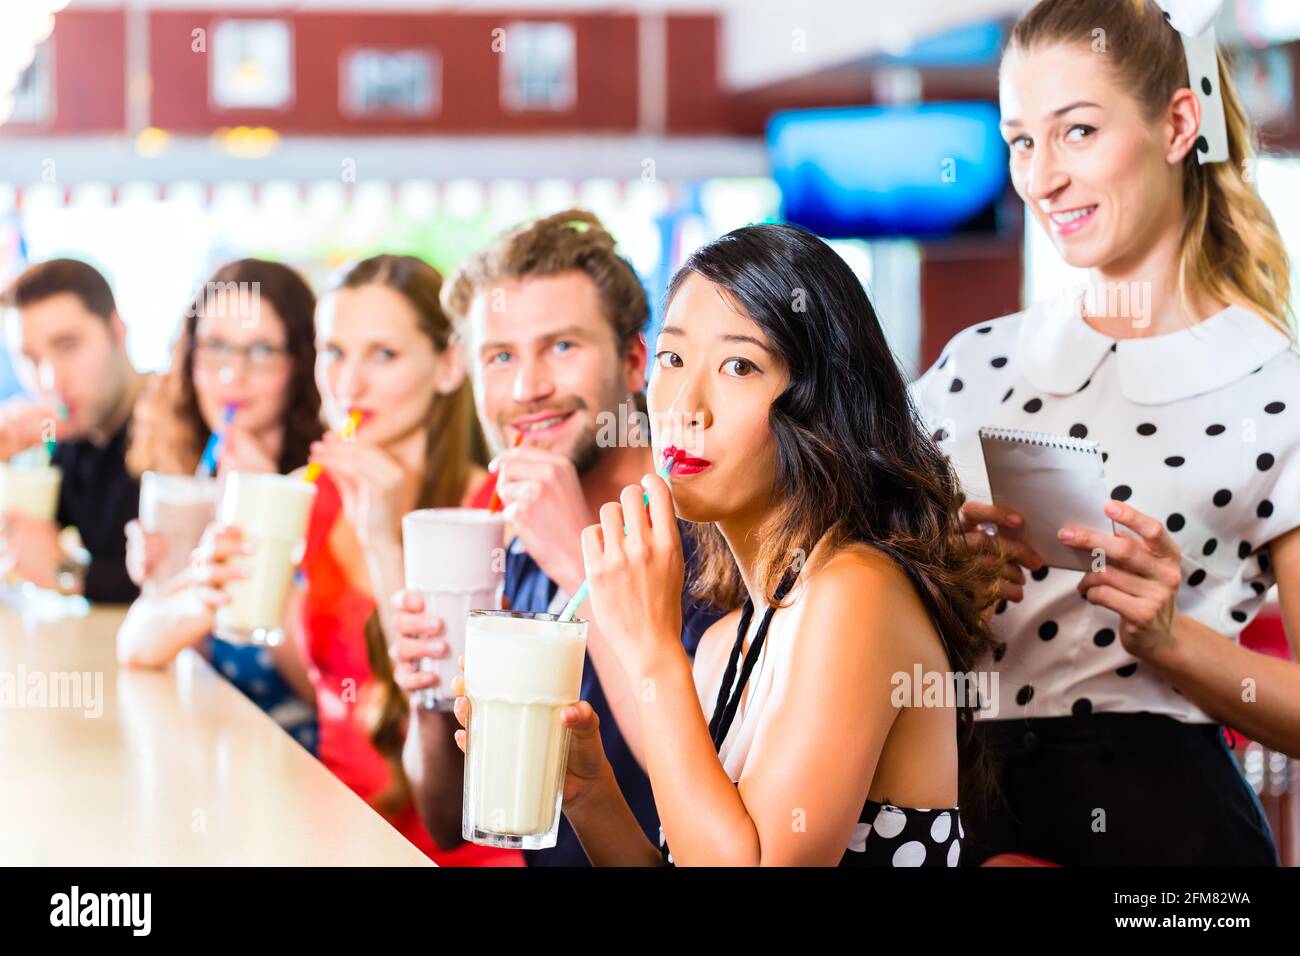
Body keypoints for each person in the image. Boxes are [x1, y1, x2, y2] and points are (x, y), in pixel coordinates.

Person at [450, 222, 1000, 866]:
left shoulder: (856, 593)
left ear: (822, 404)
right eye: (674, 359)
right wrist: (590, 792)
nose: (686, 405)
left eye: (739, 366)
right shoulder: (723, 645)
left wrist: (651, 651)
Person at [911, 0, 1300, 866]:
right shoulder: (970, 369)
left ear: (1177, 125)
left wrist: (1171, 638)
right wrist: (939, 577)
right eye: (1021, 141)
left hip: (1172, 834)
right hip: (968, 814)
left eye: (1076, 132)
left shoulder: (1279, 388)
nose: (1041, 177)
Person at [388, 210, 724, 865]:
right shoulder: (506, 549)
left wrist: (577, 559)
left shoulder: (711, 532)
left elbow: (714, 802)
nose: (527, 388)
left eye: (562, 347)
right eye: (501, 356)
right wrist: (429, 698)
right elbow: (449, 822)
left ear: (633, 361)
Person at [190, 254, 515, 866]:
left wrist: (383, 542)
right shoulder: (304, 498)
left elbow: (442, 719)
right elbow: (322, 689)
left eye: (383, 355)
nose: (349, 386)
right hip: (329, 832)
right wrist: (241, 561)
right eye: (334, 353)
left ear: (448, 365)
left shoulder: (497, 512)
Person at [116, 259, 322, 752]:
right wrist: (161, 583)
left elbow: (330, 696)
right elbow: (140, 648)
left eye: (262, 351)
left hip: (305, 777)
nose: (233, 374)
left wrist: (266, 507)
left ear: (302, 362)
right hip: (205, 754)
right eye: (215, 348)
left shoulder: (326, 482)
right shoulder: (186, 476)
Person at [0, 258, 144, 601]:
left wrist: (65, 572)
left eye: (68, 346)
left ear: (117, 332)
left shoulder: (178, 426)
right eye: (31, 359)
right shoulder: (65, 440)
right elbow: (23, 540)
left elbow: (170, 580)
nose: (50, 380)